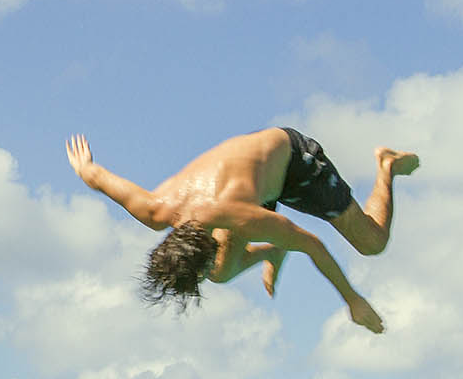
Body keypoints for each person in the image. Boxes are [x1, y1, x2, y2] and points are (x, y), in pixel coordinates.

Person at [65, 128, 418, 334]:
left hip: (293, 162)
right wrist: (86, 170)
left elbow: (313, 245)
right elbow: (100, 180)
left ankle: (385, 165)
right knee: (221, 273)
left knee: (372, 243)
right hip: (250, 185)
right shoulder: (155, 211)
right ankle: (272, 251)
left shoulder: (241, 217)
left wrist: (352, 299)